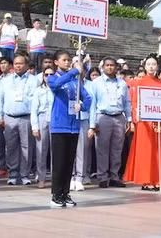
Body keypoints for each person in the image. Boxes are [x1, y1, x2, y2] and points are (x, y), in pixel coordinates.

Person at [45, 50, 92, 207]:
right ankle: (56, 194)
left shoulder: (75, 82)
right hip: (59, 126)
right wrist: (74, 71)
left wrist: (83, 106)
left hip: (74, 125)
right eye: (63, 60)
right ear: (56, 62)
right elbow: (56, 85)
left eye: (68, 60)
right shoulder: (53, 78)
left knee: (68, 162)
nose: (66, 62)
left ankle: (65, 193)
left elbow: (88, 97)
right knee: (59, 162)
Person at [124, 57, 161, 191]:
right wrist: (135, 118)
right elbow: (134, 102)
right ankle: (146, 180)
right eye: (149, 64)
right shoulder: (138, 83)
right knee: (146, 150)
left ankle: (156, 179)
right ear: (144, 66)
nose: (151, 67)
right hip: (144, 122)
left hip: (158, 122)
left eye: (154, 64)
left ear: (157, 66)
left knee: (158, 149)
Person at [0, 54, 37, 186]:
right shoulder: (6, 80)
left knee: (27, 147)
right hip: (9, 117)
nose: (18, 65)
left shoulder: (33, 80)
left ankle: (24, 174)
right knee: (11, 147)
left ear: (26, 65)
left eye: (21, 63)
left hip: (26, 117)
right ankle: (13, 173)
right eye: (16, 63)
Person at [89, 57, 131, 188]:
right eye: (107, 65)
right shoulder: (96, 83)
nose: (109, 67)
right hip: (103, 117)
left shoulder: (122, 83)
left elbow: (127, 103)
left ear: (116, 67)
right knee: (102, 148)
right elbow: (92, 103)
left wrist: (129, 119)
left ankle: (114, 176)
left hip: (119, 117)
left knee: (117, 149)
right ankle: (102, 176)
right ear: (102, 67)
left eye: (112, 65)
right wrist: (92, 123)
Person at [72, 67, 99, 191]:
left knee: (82, 151)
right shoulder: (69, 82)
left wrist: (92, 126)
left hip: (84, 119)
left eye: (81, 68)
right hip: (70, 119)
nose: (79, 71)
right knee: (70, 150)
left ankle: (80, 177)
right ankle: (71, 176)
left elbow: (92, 106)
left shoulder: (90, 85)